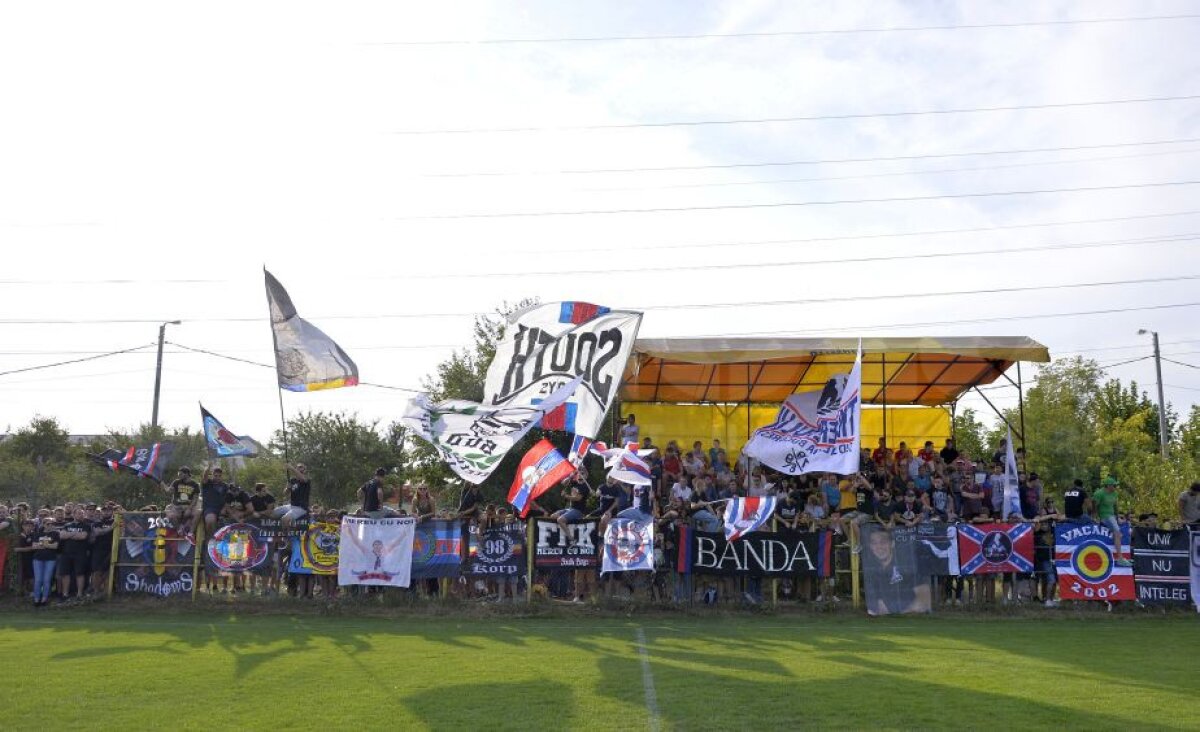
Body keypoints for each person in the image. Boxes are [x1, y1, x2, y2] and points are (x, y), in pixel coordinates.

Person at [863, 527, 931, 615]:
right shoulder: (872, 570)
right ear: (870, 547)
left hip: (912, 619)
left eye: (883, 542)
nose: (879, 547)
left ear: (892, 544)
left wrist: (902, 613)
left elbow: (924, 600)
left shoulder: (906, 564)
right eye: (874, 543)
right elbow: (879, 607)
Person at [1094, 477, 1131, 566]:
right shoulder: (1099, 493)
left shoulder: (1114, 493)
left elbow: (1115, 506)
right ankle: (1120, 558)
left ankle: (1119, 555)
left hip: (1112, 516)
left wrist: (1117, 517)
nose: (1115, 487)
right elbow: (1094, 506)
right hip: (1104, 515)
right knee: (1118, 533)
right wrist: (1095, 517)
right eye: (1114, 485)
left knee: (1122, 529)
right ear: (1108, 486)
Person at [57, 507, 91, 601]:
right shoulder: (67, 525)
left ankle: (79, 594)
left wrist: (69, 534)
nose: (80, 515)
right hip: (66, 553)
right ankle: (65, 594)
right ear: (74, 514)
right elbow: (62, 535)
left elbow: (83, 536)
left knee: (80, 574)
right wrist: (75, 534)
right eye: (78, 513)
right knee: (65, 574)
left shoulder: (86, 525)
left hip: (80, 553)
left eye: (82, 513)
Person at [551, 476, 590, 545]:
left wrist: (565, 496)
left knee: (560, 520)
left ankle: (572, 539)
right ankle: (562, 534)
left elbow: (578, 498)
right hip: (570, 509)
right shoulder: (574, 483)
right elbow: (563, 483)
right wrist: (571, 476)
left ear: (586, 475)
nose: (580, 474)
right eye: (579, 472)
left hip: (579, 511)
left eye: (582, 473)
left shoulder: (585, 486)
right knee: (553, 516)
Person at [29, 519, 59, 607]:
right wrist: (48, 545)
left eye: (52, 524)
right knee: (38, 580)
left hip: (50, 559)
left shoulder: (55, 534)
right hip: (38, 559)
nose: (50, 525)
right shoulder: (37, 533)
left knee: (47, 580)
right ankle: (36, 599)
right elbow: (34, 546)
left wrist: (42, 545)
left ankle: (44, 598)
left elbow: (55, 546)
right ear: (43, 524)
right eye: (48, 524)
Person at [273, 463, 311, 528]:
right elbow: (285, 493)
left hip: (301, 508)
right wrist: (287, 488)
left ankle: (287, 537)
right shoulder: (292, 480)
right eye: (298, 467)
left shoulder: (307, 479)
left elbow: (302, 479)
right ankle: (275, 531)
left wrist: (291, 468)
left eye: (301, 467)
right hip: (291, 506)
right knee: (273, 512)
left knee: (285, 519)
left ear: (305, 470)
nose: (299, 468)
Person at [200, 466, 230, 535]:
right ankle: (211, 539)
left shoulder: (225, 486)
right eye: (215, 475)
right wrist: (209, 465)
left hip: (221, 508)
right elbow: (205, 476)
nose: (217, 477)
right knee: (210, 520)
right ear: (212, 475)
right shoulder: (207, 483)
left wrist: (224, 508)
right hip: (210, 508)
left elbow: (227, 499)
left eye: (219, 476)